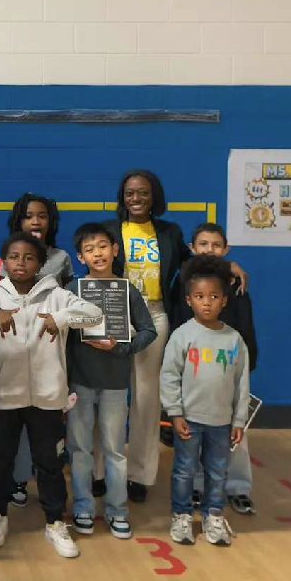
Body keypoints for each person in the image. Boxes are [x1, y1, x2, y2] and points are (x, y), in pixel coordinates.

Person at [100, 171, 246, 504]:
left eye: (144, 193)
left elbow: (194, 263)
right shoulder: (108, 230)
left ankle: (139, 474)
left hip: (153, 314)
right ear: (122, 196)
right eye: (130, 193)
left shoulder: (169, 232)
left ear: (155, 197)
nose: (136, 199)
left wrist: (230, 265)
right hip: (113, 313)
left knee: (146, 400)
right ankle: (102, 471)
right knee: (107, 395)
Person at [0, 232, 102, 559]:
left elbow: (95, 314)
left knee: (50, 464)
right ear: (4, 262)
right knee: (1, 463)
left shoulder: (57, 295)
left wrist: (60, 318)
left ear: (40, 263)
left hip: (47, 396)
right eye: (14, 257)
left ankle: (54, 521)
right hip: (4, 396)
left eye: (29, 257)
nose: (21, 263)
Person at [65, 223, 157, 540]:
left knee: (115, 450)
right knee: (80, 451)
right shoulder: (72, 290)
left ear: (114, 250)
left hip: (116, 383)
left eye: (102, 246)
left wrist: (122, 348)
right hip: (80, 382)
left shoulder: (128, 290)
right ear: (80, 257)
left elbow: (149, 331)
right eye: (89, 249)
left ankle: (117, 511)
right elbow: (62, 337)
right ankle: (83, 508)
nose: (97, 253)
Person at [162, 255, 250, 548]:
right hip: (189, 419)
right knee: (185, 470)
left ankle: (213, 515)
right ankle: (182, 515)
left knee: (217, 472)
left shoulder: (234, 339)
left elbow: (242, 384)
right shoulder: (182, 335)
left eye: (214, 297)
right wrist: (175, 413)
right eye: (200, 297)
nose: (207, 303)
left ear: (224, 301)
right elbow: (169, 376)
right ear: (189, 300)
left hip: (221, 423)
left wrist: (239, 420)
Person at [171, 223, 259, 515]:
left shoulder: (236, 283)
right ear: (192, 248)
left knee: (235, 434)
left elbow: (246, 329)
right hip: (195, 373)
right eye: (203, 244)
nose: (210, 250)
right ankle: (196, 487)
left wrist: (246, 367)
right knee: (192, 435)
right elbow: (176, 327)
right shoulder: (181, 283)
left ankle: (238, 487)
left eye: (216, 245)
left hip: (227, 371)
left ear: (227, 249)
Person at [1, 193, 73, 505]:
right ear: (18, 221)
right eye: (28, 215)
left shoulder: (62, 258)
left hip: (51, 351)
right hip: (16, 350)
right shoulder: (9, 257)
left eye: (41, 215)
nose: (35, 221)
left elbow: (70, 303)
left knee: (47, 424)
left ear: (50, 221)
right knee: (18, 423)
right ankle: (18, 479)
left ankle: (48, 480)